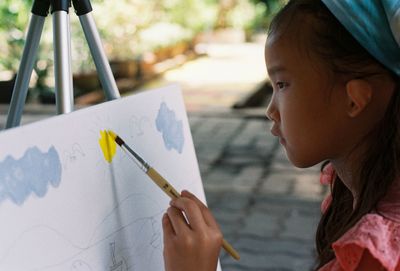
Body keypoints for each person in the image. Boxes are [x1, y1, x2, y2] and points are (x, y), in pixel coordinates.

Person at [162, 0, 400, 270]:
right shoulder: (359, 194)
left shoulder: (378, 255)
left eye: (282, 84)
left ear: (354, 100)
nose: (270, 110)